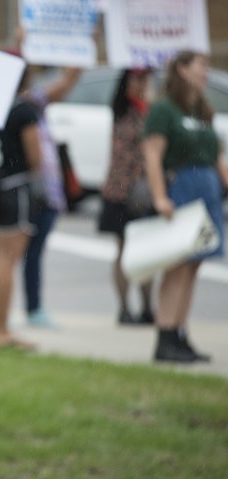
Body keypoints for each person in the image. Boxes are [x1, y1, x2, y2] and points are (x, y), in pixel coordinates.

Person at [142, 50, 228, 363]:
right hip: (182, 189)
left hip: (206, 189)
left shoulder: (202, 110)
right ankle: (165, 335)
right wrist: (160, 196)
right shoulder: (164, 110)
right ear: (181, 70)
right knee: (178, 265)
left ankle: (180, 332)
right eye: (200, 65)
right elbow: (152, 154)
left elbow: (216, 157)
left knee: (193, 265)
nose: (206, 71)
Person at [0, 67, 42, 349]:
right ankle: (0, 331)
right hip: (12, 188)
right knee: (6, 260)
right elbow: (34, 156)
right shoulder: (23, 110)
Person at [20, 66, 82, 328]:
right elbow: (64, 84)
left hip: (44, 193)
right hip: (37, 194)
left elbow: (66, 83)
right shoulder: (25, 107)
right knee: (28, 254)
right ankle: (31, 309)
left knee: (29, 254)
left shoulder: (29, 104)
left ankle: (30, 308)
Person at [98, 68, 156, 325]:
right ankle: (124, 307)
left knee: (147, 252)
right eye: (138, 79)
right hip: (122, 191)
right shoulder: (124, 112)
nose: (143, 83)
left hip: (145, 192)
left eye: (146, 78)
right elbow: (141, 145)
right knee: (124, 249)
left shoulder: (149, 109)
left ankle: (147, 307)